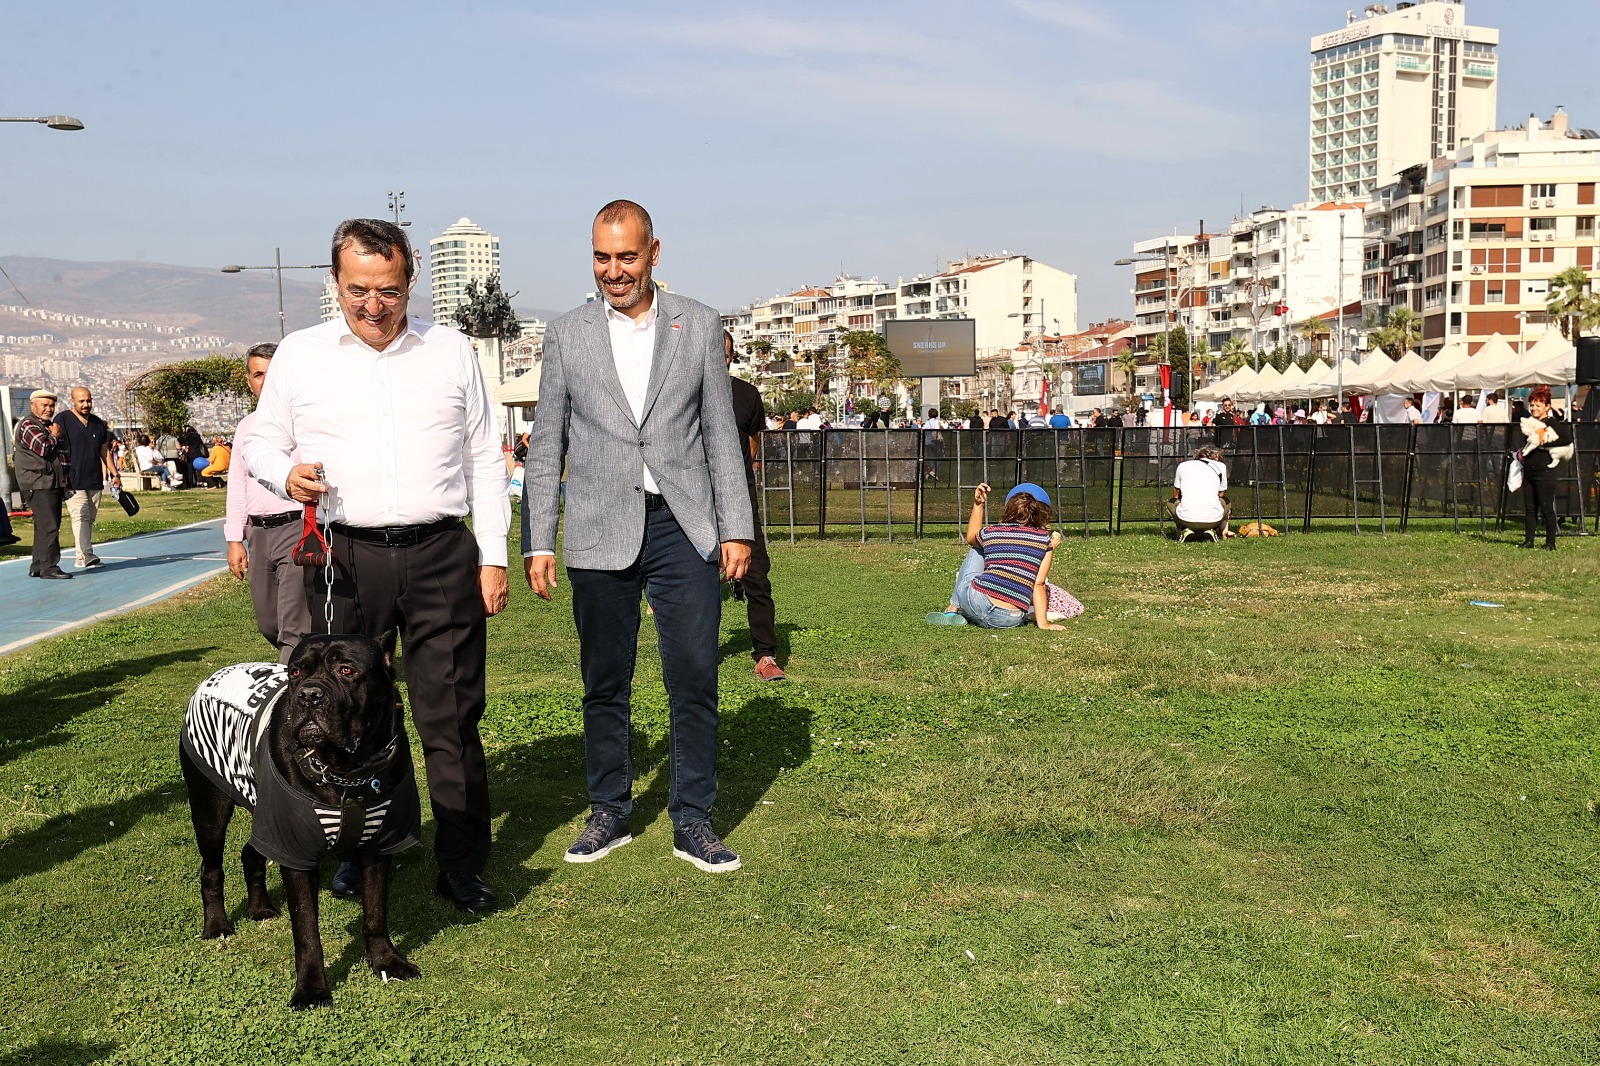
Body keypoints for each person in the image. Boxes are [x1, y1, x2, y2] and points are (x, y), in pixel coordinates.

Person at [241, 217, 510, 913]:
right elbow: (261, 444)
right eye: (358, 289)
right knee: (336, 714)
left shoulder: (452, 351)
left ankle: (460, 864)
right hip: (342, 555)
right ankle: (349, 846)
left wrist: (494, 554)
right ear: (334, 281)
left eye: (388, 289)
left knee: (450, 719)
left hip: (442, 554)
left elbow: (485, 457)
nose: (374, 305)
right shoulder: (301, 354)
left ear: (410, 278)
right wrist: (286, 475)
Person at [522, 200, 753, 874]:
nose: (613, 270)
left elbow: (720, 434)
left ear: (655, 252)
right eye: (601, 257)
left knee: (695, 676)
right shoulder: (566, 334)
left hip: (685, 526)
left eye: (626, 256)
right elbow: (546, 447)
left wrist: (735, 527)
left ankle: (693, 820)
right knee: (603, 682)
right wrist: (538, 540)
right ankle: (609, 812)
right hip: (598, 526)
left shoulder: (699, 325)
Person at [225, 343, 310, 663]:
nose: (266, 380)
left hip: (297, 525)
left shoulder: (306, 422)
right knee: (268, 622)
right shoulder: (246, 427)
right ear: (250, 381)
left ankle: (289, 695)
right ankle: (308, 660)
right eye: (259, 374)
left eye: (272, 373)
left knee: (293, 623)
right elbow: (237, 484)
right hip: (258, 532)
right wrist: (235, 539)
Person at [926, 482, 1064, 630]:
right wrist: (1043, 624)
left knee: (977, 548)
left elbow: (971, 537)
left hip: (977, 602)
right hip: (1010, 618)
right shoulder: (1044, 540)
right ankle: (966, 614)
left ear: (1007, 510)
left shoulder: (992, 532)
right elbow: (1039, 584)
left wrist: (978, 504)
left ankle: (953, 609)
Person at [726, 332, 784, 682]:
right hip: (692, 497)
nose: (719, 358)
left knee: (757, 575)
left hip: (739, 494)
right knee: (690, 580)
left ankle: (765, 654)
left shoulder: (746, 394)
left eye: (726, 354)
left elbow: (752, 446)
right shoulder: (681, 390)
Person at [53, 386, 120, 570]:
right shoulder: (63, 419)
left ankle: (81, 558)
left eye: (88, 400)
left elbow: (104, 450)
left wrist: (115, 474)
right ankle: (87, 553)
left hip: (94, 479)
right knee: (80, 516)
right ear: (72, 401)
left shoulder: (98, 423)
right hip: (72, 479)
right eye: (81, 401)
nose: (86, 404)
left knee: (89, 518)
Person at [14, 390, 71, 578]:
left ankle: (38, 565)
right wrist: (54, 435)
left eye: (51, 405)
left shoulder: (46, 425)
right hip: (38, 482)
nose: (49, 409)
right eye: (44, 405)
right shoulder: (29, 424)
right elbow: (43, 448)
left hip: (49, 481)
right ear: (33, 406)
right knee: (50, 526)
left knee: (43, 525)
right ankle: (50, 568)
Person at [1515, 384, 1573, 551]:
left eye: (1538, 405)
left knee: (1547, 508)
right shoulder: (1530, 422)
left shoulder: (1551, 422)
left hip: (1545, 471)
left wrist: (1544, 442)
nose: (1534, 408)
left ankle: (1550, 543)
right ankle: (1529, 541)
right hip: (1529, 469)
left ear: (1547, 406)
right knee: (1530, 508)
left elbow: (1566, 439)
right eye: (1532, 405)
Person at [1167, 443, 1230, 540]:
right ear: (1215, 457)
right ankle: (1216, 530)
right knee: (1226, 502)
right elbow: (1221, 494)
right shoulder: (1220, 466)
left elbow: (1175, 495)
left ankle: (1184, 528)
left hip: (1185, 518)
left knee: (1170, 503)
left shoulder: (1183, 465)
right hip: (1214, 519)